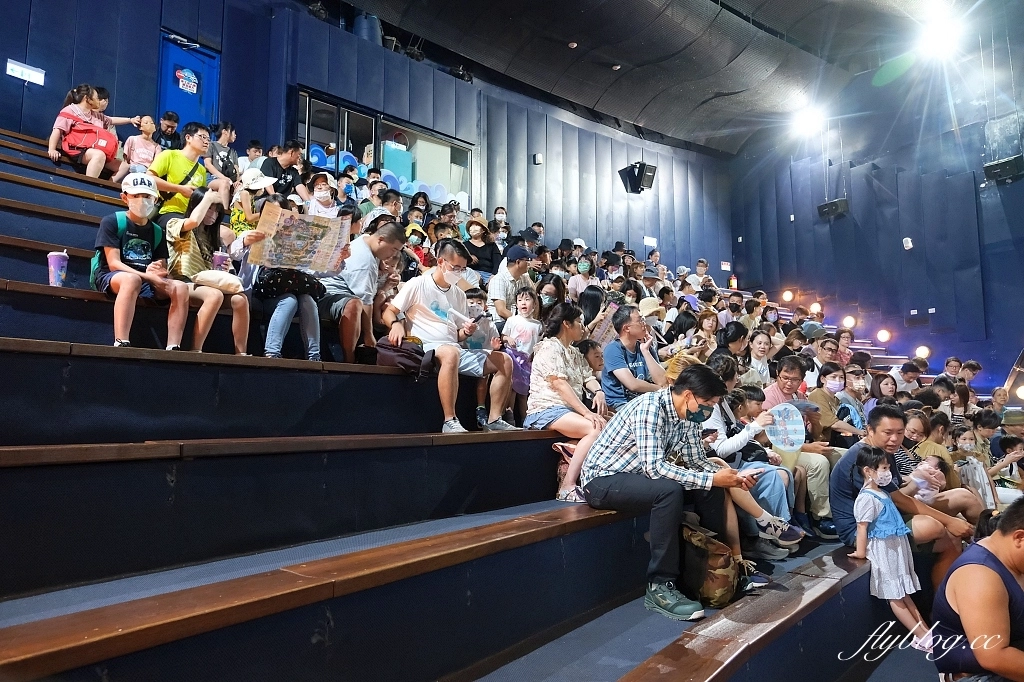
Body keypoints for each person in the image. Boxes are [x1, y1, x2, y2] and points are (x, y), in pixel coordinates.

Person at [581, 364, 762, 622]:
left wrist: (731, 477)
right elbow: (655, 468)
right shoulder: (650, 408)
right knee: (669, 491)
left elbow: (696, 460)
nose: (709, 409)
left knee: (711, 488)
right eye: (707, 402)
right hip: (603, 479)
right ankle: (660, 586)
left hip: (639, 479)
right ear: (688, 395)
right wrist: (711, 477)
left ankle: (720, 570)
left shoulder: (688, 415)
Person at [830, 404, 974, 589]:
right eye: (888, 432)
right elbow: (899, 499)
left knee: (953, 530)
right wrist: (949, 521)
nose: (895, 439)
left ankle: (943, 601)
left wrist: (922, 479)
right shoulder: (861, 457)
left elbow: (897, 488)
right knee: (934, 526)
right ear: (870, 430)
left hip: (885, 516)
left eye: (899, 433)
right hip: (861, 531)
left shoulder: (884, 452)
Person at [383, 239, 518, 433]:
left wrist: (465, 332)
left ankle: (495, 418)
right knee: (450, 353)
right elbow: (389, 311)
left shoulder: (459, 294)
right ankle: (449, 420)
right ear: (440, 262)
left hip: (452, 347)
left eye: (462, 269)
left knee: (504, 360)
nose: (459, 273)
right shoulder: (418, 284)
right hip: (426, 346)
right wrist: (395, 324)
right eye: (455, 267)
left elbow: (457, 335)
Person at [847, 446, 934, 652]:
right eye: (883, 468)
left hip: (895, 547)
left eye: (887, 467)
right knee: (894, 594)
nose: (887, 472)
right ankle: (921, 634)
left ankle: (925, 632)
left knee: (902, 592)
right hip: (883, 550)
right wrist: (861, 552)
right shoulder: (867, 497)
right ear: (868, 470)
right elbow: (862, 527)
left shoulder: (881, 493)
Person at [90, 173, 189, 349]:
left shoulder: (158, 230)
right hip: (111, 276)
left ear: (156, 199)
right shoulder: (112, 221)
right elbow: (114, 263)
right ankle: (121, 340)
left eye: (147, 196)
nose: (142, 200)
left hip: (144, 279)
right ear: (124, 197)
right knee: (131, 279)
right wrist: (148, 276)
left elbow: (162, 267)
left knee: (180, 287)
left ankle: (174, 346)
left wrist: (157, 270)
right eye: (136, 195)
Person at [931, 497, 1024, 681]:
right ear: (1019, 538)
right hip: (982, 674)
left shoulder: (1011, 560)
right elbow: (994, 657)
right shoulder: (979, 575)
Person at [526, 303, 608, 501]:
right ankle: (567, 487)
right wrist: (587, 413)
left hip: (567, 411)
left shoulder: (573, 352)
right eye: (579, 322)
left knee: (609, 424)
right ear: (566, 324)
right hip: (545, 409)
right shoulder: (548, 347)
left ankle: (571, 449)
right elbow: (560, 384)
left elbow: (587, 377)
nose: (582, 327)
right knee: (594, 428)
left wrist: (598, 392)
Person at [165, 187, 250, 354]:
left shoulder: (213, 239)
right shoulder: (175, 224)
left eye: (217, 210)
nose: (213, 213)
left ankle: (241, 353)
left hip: (205, 284)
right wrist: (208, 198)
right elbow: (193, 222)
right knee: (214, 295)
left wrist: (225, 269)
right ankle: (195, 350)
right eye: (209, 208)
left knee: (240, 300)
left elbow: (226, 273)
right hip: (182, 282)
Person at [319, 222, 407, 364]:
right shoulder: (364, 260)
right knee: (354, 304)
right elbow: (365, 301)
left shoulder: (366, 239)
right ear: (381, 240)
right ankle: (350, 360)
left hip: (349, 295)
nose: (394, 254)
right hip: (329, 295)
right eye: (394, 249)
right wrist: (369, 335)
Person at [148, 122, 214, 228]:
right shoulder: (169, 155)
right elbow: (149, 179)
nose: (206, 142)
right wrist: (180, 189)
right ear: (188, 138)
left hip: (190, 216)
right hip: (168, 212)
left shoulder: (201, 169)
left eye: (208, 139)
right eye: (202, 137)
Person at [602, 305, 667, 410]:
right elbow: (632, 384)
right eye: (640, 320)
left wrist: (645, 351)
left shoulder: (644, 347)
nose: (644, 323)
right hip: (620, 403)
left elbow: (663, 380)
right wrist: (659, 389)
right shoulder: (612, 349)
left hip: (643, 399)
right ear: (627, 328)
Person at [807, 362, 867, 445]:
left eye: (841, 377)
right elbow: (834, 424)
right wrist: (860, 432)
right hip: (821, 443)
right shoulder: (817, 394)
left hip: (834, 441)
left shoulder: (836, 399)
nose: (838, 380)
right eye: (833, 377)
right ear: (822, 379)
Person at [487, 245, 535, 321]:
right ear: (518, 262)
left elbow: (534, 297)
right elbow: (501, 311)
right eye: (527, 260)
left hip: (518, 321)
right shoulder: (499, 279)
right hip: (499, 322)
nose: (529, 263)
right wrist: (521, 322)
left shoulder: (524, 277)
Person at [112, 115, 161, 182]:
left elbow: (155, 164)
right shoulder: (132, 139)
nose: (150, 124)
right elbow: (126, 159)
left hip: (147, 172)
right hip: (133, 168)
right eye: (146, 123)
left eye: (152, 123)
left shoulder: (157, 147)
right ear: (140, 127)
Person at [464, 219, 501, 285]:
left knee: (494, 284)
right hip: (472, 274)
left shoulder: (491, 245)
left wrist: (493, 276)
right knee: (475, 277)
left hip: (488, 274)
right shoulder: (464, 245)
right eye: (472, 225)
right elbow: (460, 260)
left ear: (483, 230)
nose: (473, 227)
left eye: (477, 225)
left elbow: (497, 261)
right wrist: (468, 258)